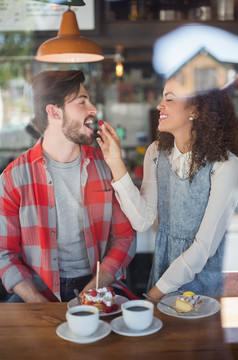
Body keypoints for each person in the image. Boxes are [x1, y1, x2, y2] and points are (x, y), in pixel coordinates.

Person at [97, 77, 238, 300]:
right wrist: (115, 162)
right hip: (162, 277)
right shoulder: (156, 153)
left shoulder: (226, 165)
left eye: (169, 99)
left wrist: (154, 295)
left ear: (196, 109)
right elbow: (142, 220)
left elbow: (203, 248)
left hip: (203, 292)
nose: (159, 106)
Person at [0, 70, 136, 303]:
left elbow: (125, 237)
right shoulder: (13, 177)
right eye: (82, 101)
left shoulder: (107, 165)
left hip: (98, 281)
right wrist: (37, 302)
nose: (92, 109)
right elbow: (5, 253)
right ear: (53, 111)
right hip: (36, 289)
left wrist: (94, 287)